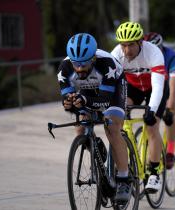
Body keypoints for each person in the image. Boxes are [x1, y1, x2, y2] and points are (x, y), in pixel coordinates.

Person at [57, 33, 130, 203]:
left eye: (84, 64)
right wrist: (69, 103)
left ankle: (123, 180)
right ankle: (94, 145)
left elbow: (104, 100)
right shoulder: (64, 69)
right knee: (81, 125)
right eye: (76, 64)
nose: (80, 68)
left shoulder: (107, 64)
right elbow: (69, 100)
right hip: (87, 90)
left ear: (94, 58)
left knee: (112, 127)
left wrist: (84, 101)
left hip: (113, 89)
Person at [111, 21, 169, 193]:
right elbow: (113, 85)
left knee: (152, 127)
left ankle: (154, 173)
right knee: (117, 119)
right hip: (133, 88)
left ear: (140, 42)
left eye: (130, 45)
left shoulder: (154, 52)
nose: (126, 50)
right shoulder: (115, 55)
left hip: (154, 88)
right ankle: (124, 160)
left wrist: (151, 110)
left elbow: (158, 87)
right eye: (123, 45)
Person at [143, 32, 175, 170]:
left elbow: (173, 90)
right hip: (160, 87)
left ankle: (170, 151)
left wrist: (168, 108)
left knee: (168, 114)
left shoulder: (171, 58)